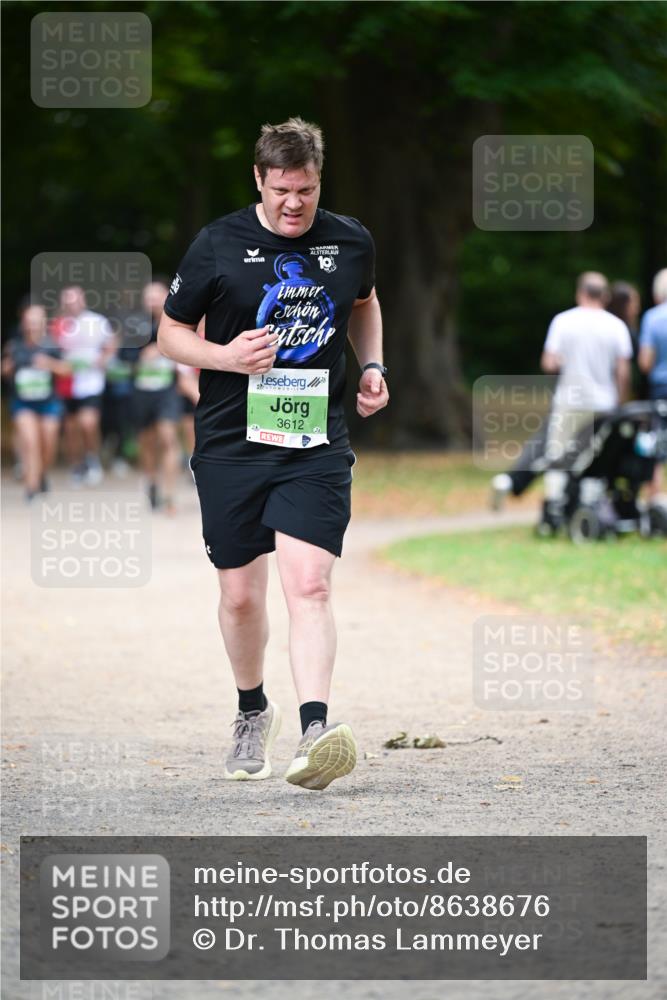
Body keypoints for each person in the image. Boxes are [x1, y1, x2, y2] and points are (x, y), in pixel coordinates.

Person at [158, 117, 388, 790]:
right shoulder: (218, 244)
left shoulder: (349, 241)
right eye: (282, 189)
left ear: (320, 183)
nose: (294, 203)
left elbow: (365, 304)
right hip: (231, 440)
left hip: (313, 441)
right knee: (238, 597)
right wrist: (223, 356)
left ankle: (316, 730)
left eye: (307, 191)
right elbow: (170, 333)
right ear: (259, 179)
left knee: (309, 584)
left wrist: (371, 365)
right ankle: (252, 709)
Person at [538, 271, 633, 520]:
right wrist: (619, 401)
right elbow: (623, 371)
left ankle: (554, 505)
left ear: (580, 292)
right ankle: (590, 504)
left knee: (558, 453)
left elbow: (549, 363)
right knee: (597, 455)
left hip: (570, 400)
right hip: (603, 403)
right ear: (604, 295)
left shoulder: (562, 321)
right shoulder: (616, 326)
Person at [1, 303, 69, 500]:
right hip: (22, 403)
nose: (32, 324)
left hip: (49, 402)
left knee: (48, 441)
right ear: (23, 322)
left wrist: (49, 365)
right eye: (29, 320)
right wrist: (6, 368)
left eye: (36, 320)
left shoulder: (52, 345)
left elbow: (67, 369)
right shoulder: (14, 345)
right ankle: (31, 487)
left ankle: (41, 474)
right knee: (30, 442)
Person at [56, 286, 116, 486]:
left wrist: (103, 359)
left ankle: (93, 459)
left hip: (91, 382)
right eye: (68, 300)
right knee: (71, 429)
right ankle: (77, 465)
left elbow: (112, 343)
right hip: (68, 383)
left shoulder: (96, 321)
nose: (71, 304)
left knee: (88, 423)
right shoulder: (59, 324)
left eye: (75, 300)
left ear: (83, 300)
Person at [132, 281, 183, 512]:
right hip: (142, 392)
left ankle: (170, 495)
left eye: (157, 296)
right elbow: (121, 360)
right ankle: (151, 481)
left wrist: (164, 351)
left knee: (169, 439)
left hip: (167, 391)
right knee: (147, 443)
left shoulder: (180, 323)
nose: (152, 300)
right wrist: (142, 355)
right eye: (148, 296)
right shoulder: (135, 326)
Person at [638, 267, 667, 499]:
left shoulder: (652, 318)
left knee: (657, 442)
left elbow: (645, 362)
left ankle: (655, 497)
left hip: (661, 388)